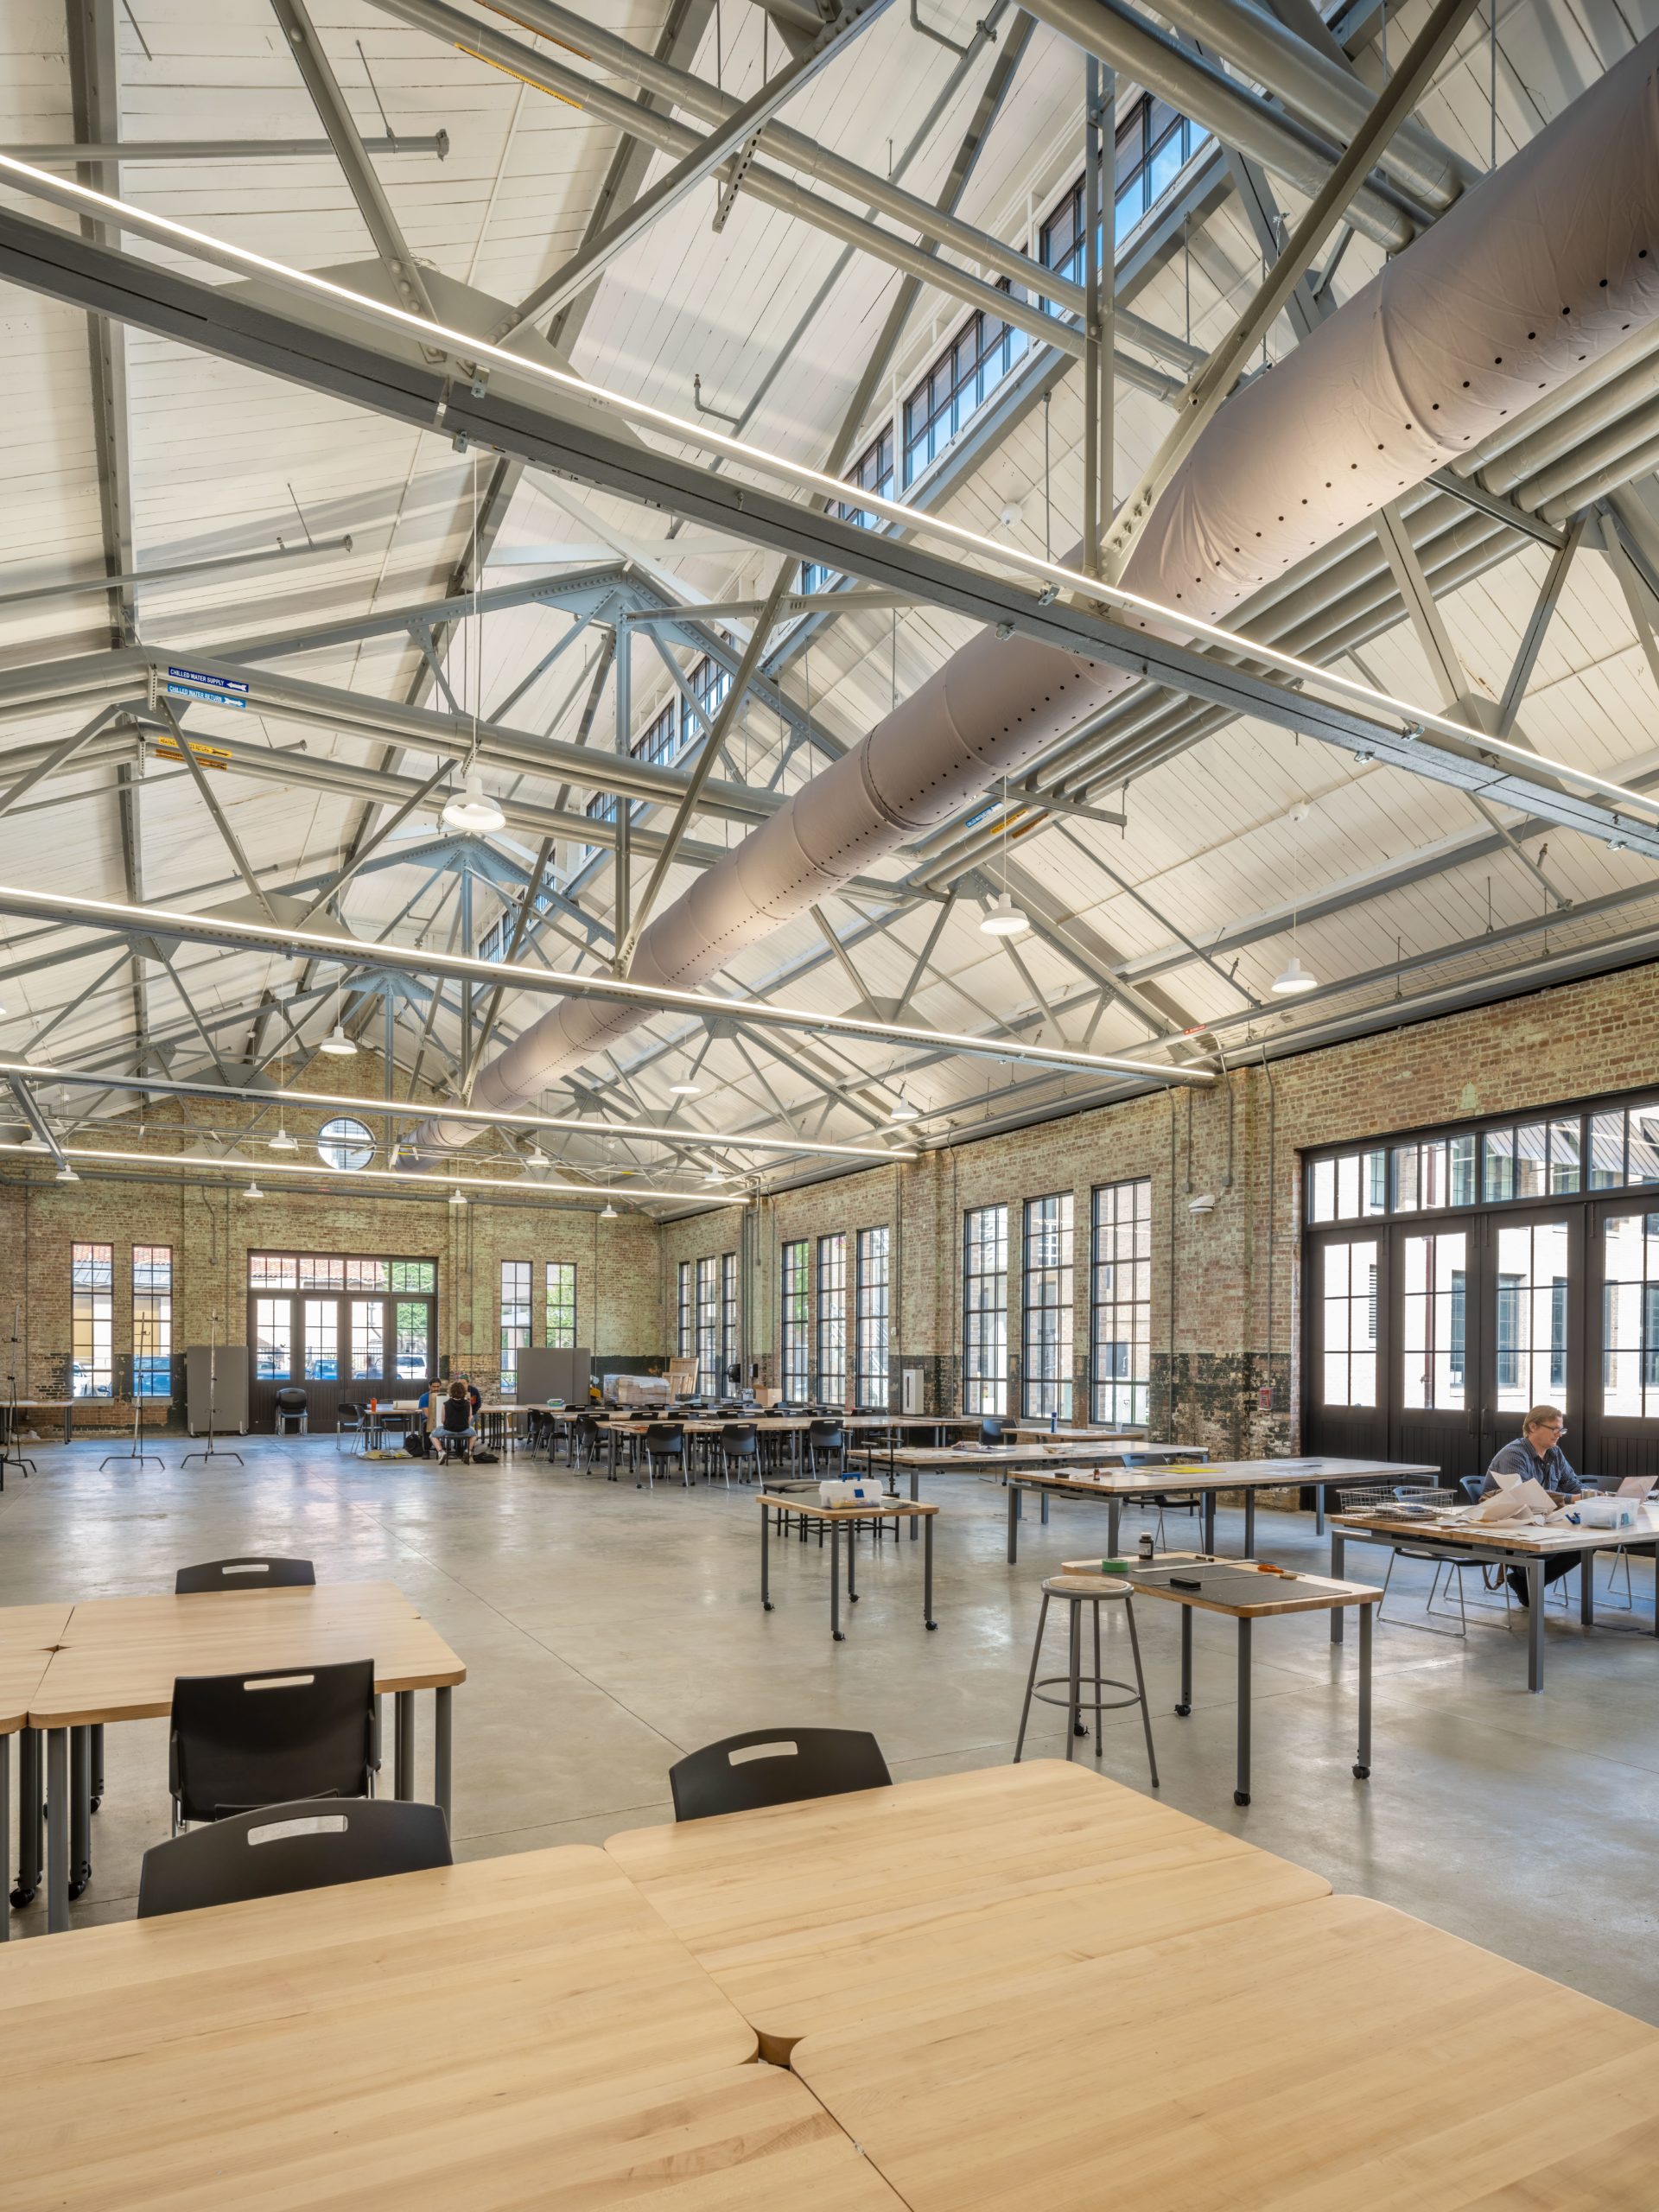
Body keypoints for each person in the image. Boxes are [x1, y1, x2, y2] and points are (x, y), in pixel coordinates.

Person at [1481, 1404, 1583, 1605]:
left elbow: (1572, 1485)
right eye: (1554, 1429)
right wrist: (1573, 1499)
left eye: (1561, 1429)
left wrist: (1594, 1496)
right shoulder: (1514, 1454)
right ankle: (1525, 1577)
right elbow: (1526, 1495)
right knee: (1556, 1543)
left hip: (1541, 1520)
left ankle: (1525, 1580)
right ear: (1533, 1427)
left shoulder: (1555, 1454)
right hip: (1508, 1523)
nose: (1559, 1434)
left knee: (1588, 1544)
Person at [434, 1381, 477, 1462]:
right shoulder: (468, 1404)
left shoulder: (445, 1404)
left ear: (451, 1392)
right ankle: (468, 1451)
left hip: (448, 1429)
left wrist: (448, 1425)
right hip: (464, 1429)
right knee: (474, 1435)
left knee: (432, 1436)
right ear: (464, 1392)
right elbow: (469, 1420)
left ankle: (441, 1452)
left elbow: (443, 1420)